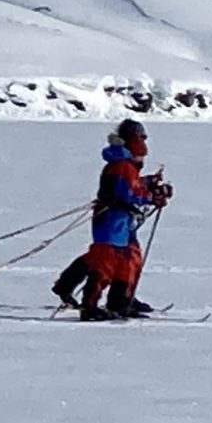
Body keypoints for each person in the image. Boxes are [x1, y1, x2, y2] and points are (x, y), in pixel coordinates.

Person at [59, 117, 171, 321]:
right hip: (112, 220)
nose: (144, 143)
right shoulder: (122, 165)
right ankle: (89, 306)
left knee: (128, 260)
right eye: (141, 138)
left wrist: (150, 184)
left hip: (123, 222)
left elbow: (133, 185)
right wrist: (152, 197)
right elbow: (128, 191)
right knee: (105, 262)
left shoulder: (126, 163)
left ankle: (120, 301)